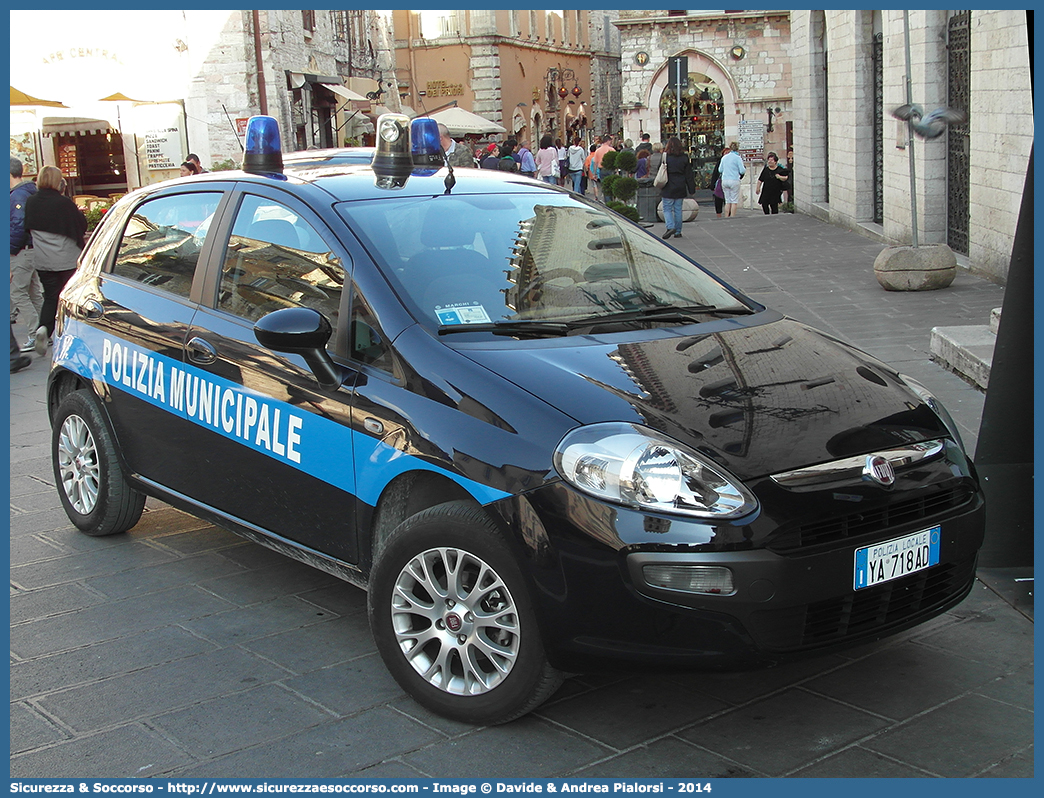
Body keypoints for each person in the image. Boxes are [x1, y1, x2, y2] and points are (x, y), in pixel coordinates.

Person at [23, 165, 87, 355]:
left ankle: (44, 328)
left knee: (51, 296)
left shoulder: (31, 202)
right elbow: (80, 226)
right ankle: (69, 333)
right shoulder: (63, 203)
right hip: (67, 257)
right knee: (71, 297)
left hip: (43, 259)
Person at [10, 157, 42, 354]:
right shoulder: (28, 191)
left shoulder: (17, 196)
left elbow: (17, 225)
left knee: (17, 292)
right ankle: (44, 331)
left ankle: (34, 333)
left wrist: (10, 248)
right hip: (30, 249)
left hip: (21, 250)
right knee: (33, 292)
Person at [659, 137, 695, 239]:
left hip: (668, 184)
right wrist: (691, 189)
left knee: (667, 208)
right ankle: (678, 231)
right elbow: (689, 174)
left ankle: (670, 226)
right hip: (680, 185)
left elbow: (660, 169)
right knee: (678, 209)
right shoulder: (684, 158)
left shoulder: (666, 157)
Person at [719, 142, 746, 218]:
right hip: (734, 180)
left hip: (725, 180)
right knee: (734, 201)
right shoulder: (737, 158)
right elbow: (742, 171)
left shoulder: (724, 158)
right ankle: (732, 216)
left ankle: (726, 216)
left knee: (727, 201)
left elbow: (720, 170)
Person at [709, 146, 730, 218]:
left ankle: (728, 215)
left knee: (728, 200)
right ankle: (719, 215)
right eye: (725, 153)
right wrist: (712, 185)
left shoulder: (732, 162)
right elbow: (715, 173)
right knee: (718, 199)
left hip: (729, 182)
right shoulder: (720, 162)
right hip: (720, 183)